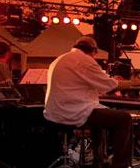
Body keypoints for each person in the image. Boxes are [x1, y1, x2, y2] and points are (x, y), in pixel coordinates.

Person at [43, 36, 132, 168]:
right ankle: (120, 165)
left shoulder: (58, 59)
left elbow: (80, 85)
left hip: (54, 112)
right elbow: (110, 84)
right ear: (93, 50)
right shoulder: (84, 60)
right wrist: (133, 83)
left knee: (100, 115)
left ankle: (98, 160)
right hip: (72, 111)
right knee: (124, 118)